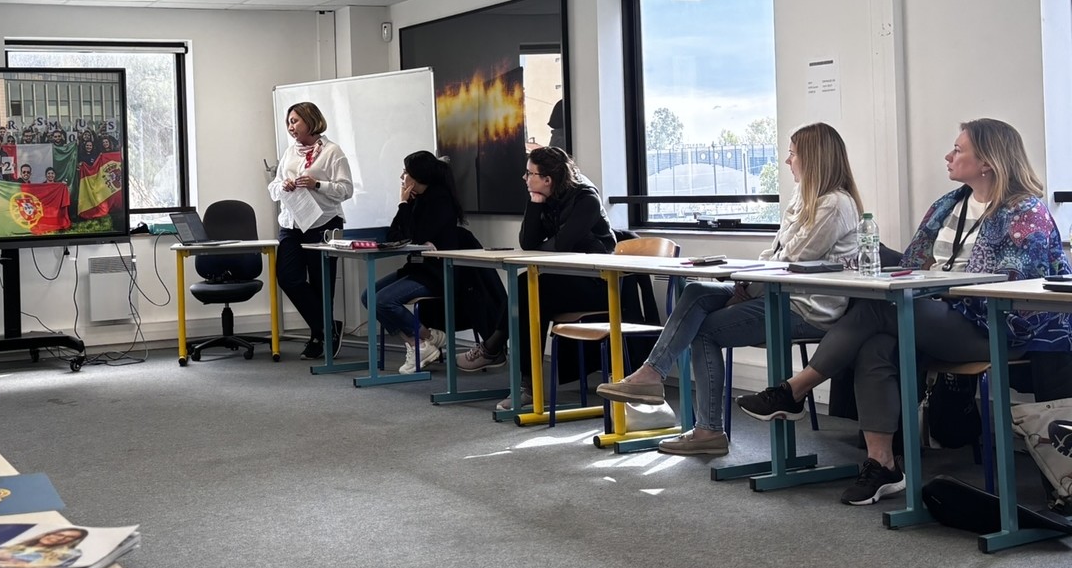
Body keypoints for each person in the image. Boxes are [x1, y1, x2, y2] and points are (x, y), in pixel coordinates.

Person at [738, 118, 1072, 502]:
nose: (948, 156)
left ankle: (794, 389)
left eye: (958, 149)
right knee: (875, 346)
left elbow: (1014, 286)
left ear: (987, 161)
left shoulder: (1024, 212)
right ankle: (882, 463)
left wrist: (937, 289)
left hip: (995, 326)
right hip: (940, 316)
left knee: (880, 310)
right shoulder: (949, 205)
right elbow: (914, 262)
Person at [597, 123, 863, 456]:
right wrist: (746, 287)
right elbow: (773, 254)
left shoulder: (835, 204)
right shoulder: (803, 199)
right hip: (778, 295)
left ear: (813, 159)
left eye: (792, 154)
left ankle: (707, 430)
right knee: (696, 292)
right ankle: (652, 373)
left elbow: (792, 259)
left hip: (806, 309)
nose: (787, 161)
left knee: (703, 331)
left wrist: (747, 291)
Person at [456, 147, 616, 411]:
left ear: (548, 179)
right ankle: (523, 382)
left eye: (530, 173)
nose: (524, 177)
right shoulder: (548, 197)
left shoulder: (586, 198)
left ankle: (499, 354)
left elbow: (562, 245)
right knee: (528, 290)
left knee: (528, 288)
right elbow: (528, 243)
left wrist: (544, 245)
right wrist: (534, 202)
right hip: (566, 278)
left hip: (598, 283)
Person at [364, 151, 467, 373]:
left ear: (418, 175)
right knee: (368, 296)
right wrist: (404, 203)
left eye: (406, 172)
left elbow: (416, 235)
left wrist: (405, 208)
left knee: (383, 300)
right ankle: (424, 339)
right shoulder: (416, 199)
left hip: (437, 273)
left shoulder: (440, 200)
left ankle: (420, 344)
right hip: (417, 268)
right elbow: (395, 235)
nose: (402, 176)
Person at [269, 102, 354, 360]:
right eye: (288, 122)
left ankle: (319, 336)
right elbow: (273, 188)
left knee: (321, 283)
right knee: (287, 278)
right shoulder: (289, 152)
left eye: (295, 121)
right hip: (292, 224)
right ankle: (328, 327)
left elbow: (346, 190)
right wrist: (283, 185)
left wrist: (318, 184)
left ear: (310, 121)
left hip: (324, 223)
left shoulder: (332, 152)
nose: (290, 127)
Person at [0, 527, 88, 568]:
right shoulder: (12, 547)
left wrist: (11, 559)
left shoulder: (70, 553)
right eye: (58, 534)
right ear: (48, 533)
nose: (59, 538)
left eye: (69, 538)